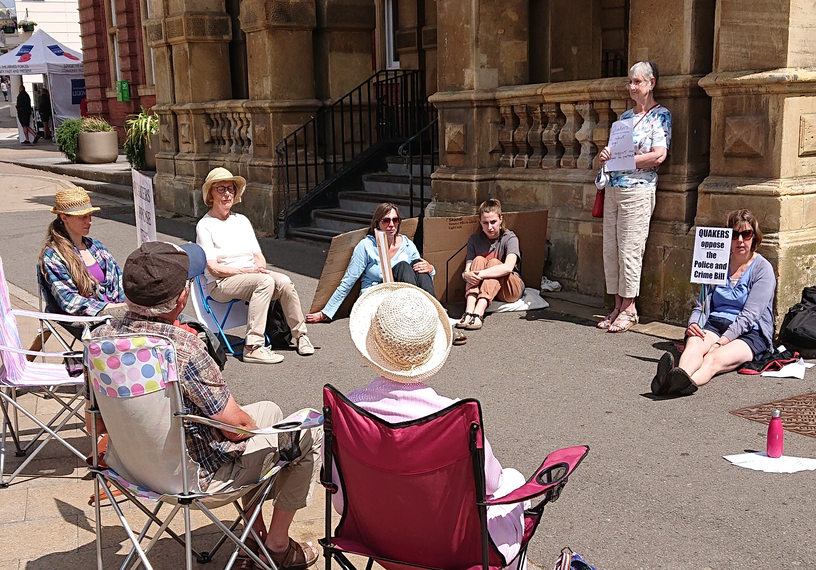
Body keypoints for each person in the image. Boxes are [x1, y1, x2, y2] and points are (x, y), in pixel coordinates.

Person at [91, 242, 321, 570]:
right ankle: (279, 545)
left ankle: (252, 538)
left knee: (269, 409)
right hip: (197, 482)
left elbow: (95, 424)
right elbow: (238, 429)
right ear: (181, 299)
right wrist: (247, 432)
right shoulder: (183, 347)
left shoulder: (101, 340)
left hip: (133, 472)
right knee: (307, 432)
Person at [334, 282, 529, 569]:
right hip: (446, 547)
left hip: (370, 535)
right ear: (428, 350)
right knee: (514, 480)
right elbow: (491, 484)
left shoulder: (347, 410)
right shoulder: (453, 417)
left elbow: (334, 484)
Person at [196, 167, 314, 363]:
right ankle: (253, 346)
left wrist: (258, 269)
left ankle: (300, 335)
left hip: (251, 276)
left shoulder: (241, 220)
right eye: (221, 189)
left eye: (231, 189)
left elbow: (258, 256)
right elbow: (213, 268)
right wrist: (247, 272)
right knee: (265, 282)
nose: (227, 194)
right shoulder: (205, 225)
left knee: (284, 281)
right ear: (210, 194)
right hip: (221, 283)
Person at [651, 210, 775, 397]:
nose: (740, 240)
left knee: (712, 358)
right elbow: (702, 303)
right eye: (734, 235)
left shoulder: (763, 269)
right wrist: (694, 323)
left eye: (746, 234)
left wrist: (721, 341)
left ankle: (672, 384)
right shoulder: (716, 262)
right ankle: (679, 377)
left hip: (749, 332)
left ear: (754, 237)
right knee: (694, 344)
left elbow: (750, 316)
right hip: (715, 322)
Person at [597, 61, 672, 333]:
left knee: (630, 249)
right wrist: (605, 156)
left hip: (638, 190)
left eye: (637, 82)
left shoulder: (660, 116)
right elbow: (613, 154)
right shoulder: (623, 119)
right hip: (614, 189)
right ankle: (617, 305)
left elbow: (659, 155)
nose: (631, 86)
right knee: (612, 249)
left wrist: (626, 160)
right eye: (629, 81)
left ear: (651, 83)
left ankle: (630, 308)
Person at [305, 202, 435, 323]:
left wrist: (431, 269)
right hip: (376, 294)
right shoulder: (366, 246)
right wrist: (325, 313)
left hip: (401, 296)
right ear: (377, 223)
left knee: (419, 267)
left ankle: (433, 315)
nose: (391, 224)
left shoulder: (407, 243)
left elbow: (420, 278)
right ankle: (416, 313)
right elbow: (348, 281)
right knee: (403, 266)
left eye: (395, 220)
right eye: (386, 220)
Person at [39, 187, 128, 317]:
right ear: (64, 217)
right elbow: (70, 301)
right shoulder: (54, 255)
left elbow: (120, 280)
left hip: (117, 311)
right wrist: (112, 308)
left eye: (90, 215)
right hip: (89, 320)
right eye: (82, 217)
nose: (89, 221)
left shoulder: (96, 246)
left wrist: (129, 304)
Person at [457, 198, 523, 331]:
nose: (490, 227)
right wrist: (466, 275)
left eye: (493, 222)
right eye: (485, 223)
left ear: (500, 219)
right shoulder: (474, 239)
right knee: (478, 260)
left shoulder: (509, 237)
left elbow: (508, 267)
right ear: (480, 223)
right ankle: (469, 311)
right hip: (488, 288)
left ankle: (478, 312)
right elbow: (467, 269)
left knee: (494, 263)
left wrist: (479, 274)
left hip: (510, 288)